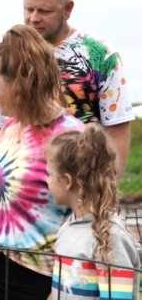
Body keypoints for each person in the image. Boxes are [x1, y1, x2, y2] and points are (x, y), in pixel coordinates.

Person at [0, 24, 84, 300]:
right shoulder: (11, 127)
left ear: (20, 82)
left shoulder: (71, 135)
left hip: (42, 279)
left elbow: (89, 213)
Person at [0, 0, 134, 175]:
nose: (33, 18)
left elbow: (117, 130)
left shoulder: (101, 57)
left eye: (44, 11)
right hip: (22, 188)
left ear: (68, 9)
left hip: (82, 184)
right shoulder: (9, 55)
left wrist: (105, 193)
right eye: (28, 9)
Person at [46, 124, 141, 299]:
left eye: (49, 174)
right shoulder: (69, 226)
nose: (47, 181)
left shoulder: (110, 238)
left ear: (67, 181)